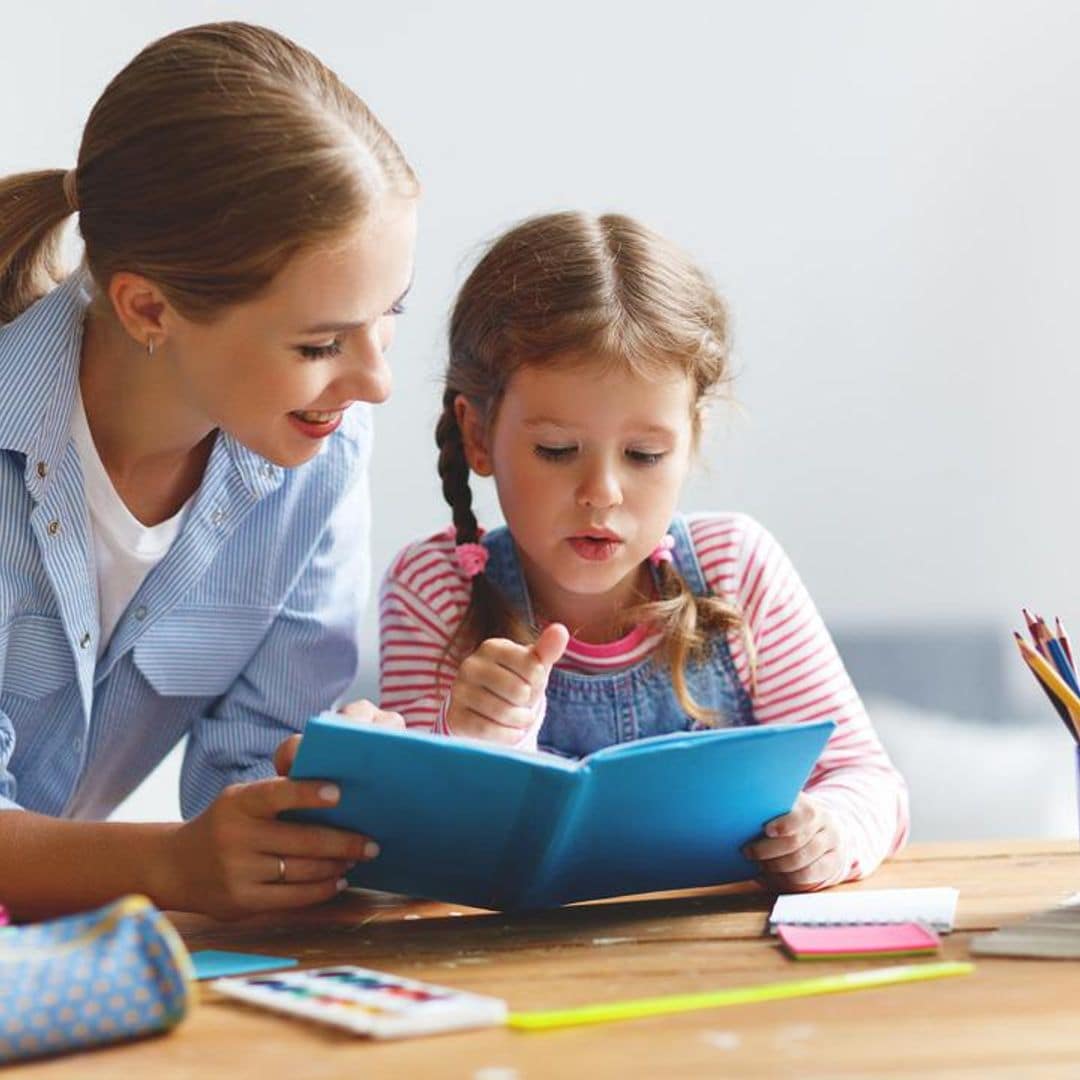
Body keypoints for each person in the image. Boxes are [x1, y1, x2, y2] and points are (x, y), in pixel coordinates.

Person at [0, 22, 416, 920]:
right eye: (318, 343)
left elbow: (248, 776)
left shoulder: (319, 450)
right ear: (149, 307)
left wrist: (324, 792)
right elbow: (186, 857)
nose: (375, 381)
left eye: (390, 315)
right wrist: (175, 865)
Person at [378, 211, 909, 892]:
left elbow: (867, 779)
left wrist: (830, 836)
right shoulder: (435, 589)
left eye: (645, 455)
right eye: (557, 451)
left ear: (693, 440)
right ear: (478, 435)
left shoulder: (734, 568)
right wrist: (482, 737)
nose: (601, 493)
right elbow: (417, 852)